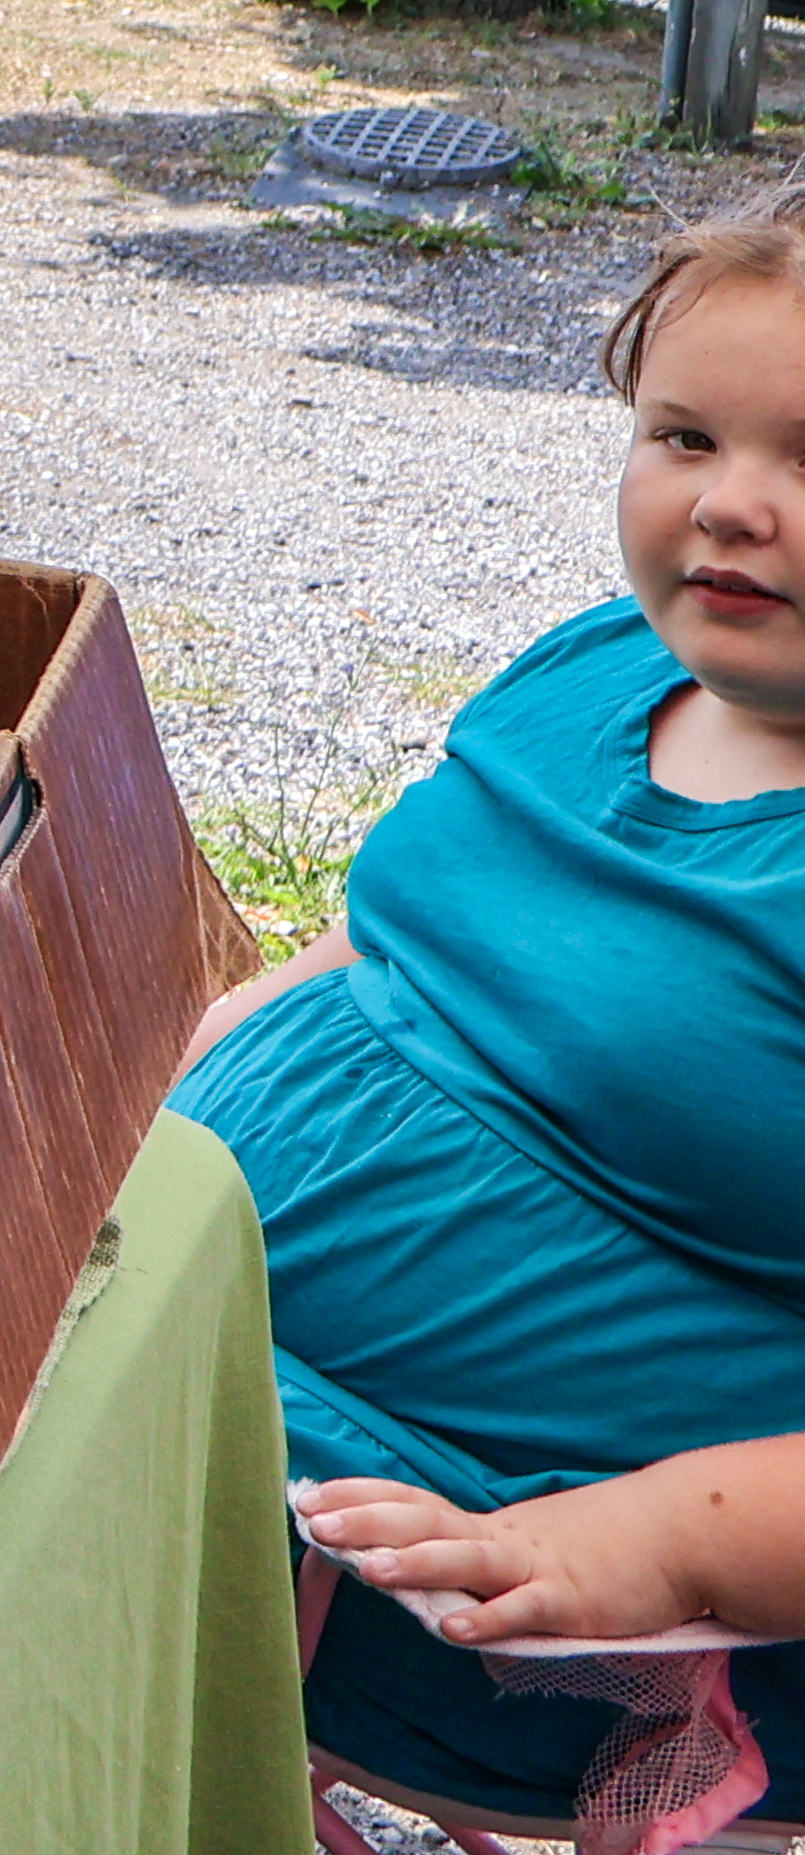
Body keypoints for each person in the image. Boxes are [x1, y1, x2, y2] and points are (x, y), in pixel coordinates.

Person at [168, 192, 805, 1836]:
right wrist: (223, 1047)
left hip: (525, 1603)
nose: (732, 506)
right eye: (685, 435)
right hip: (212, 1385)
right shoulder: (603, 665)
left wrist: (646, 1543)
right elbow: (408, 930)